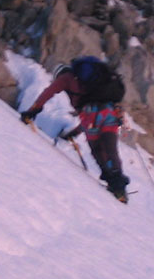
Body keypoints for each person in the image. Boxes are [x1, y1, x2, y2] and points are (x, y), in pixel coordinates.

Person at [20, 57, 130, 202]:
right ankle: (119, 187)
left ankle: (113, 182)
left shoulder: (66, 79)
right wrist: (74, 133)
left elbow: (48, 93)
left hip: (90, 115)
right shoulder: (95, 83)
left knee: (97, 150)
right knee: (110, 148)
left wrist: (33, 111)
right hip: (109, 113)